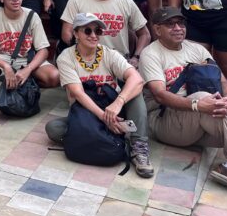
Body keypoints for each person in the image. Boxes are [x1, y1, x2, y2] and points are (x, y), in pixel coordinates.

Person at [140, 7, 227, 193]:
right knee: (204, 98)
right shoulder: (150, 54)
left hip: (203, 119)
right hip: (166, 121)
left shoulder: (196, 48)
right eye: (170, 24)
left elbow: (222, 80)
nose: (177, 28)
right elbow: (159, 95)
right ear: (157, 29)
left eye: (181, 23)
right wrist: (199, 104)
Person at [47, 12, 154, 178]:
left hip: (113, 107)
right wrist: (106, 118)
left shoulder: (109, 53)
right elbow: (78, 94)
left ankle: (139, 146)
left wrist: (118, 103)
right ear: (76, 33)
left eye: (98, 31)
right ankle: (109, 136)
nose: (93, 35)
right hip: (87, 111)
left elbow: (137, 79)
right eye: (87, 31)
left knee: (135, 91)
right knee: (53, 129)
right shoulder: (66, 57)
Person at [61, 0, 150, 61]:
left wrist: (136, 57)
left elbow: (145, 34)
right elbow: (66, 34)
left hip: (119, 62)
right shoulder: (76, 1)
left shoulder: (126, 2)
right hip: (87, 61)